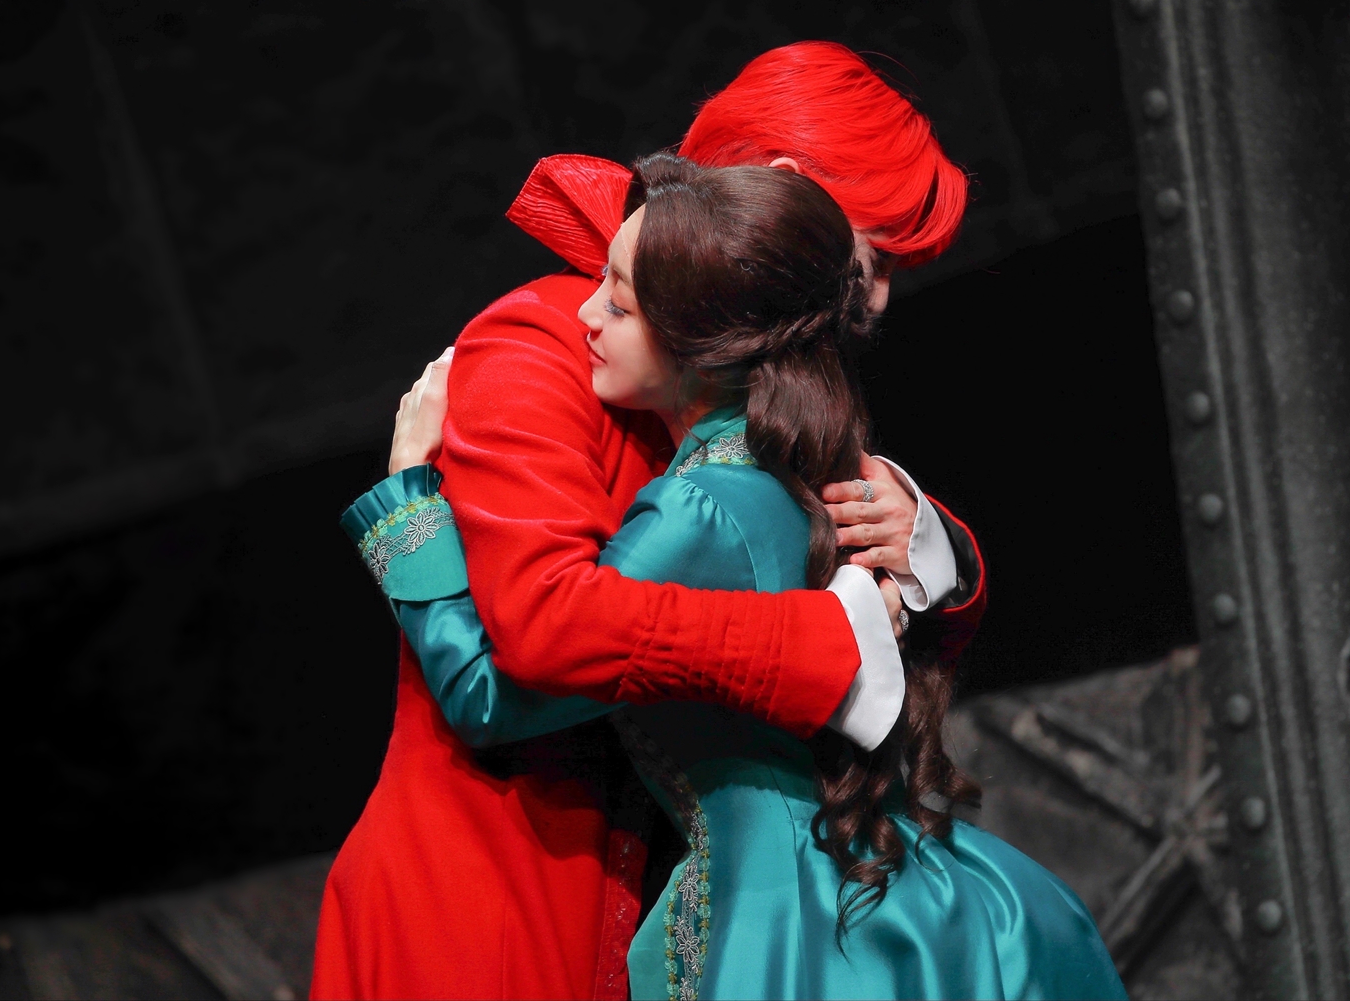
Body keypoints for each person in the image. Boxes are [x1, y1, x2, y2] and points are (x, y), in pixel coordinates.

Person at [343, 154, 1124, 999]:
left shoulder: (697, 509)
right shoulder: (791, 466)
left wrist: (407, 504)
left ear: (706, 341)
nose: (587, 314)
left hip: (781, 911)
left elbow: (490, 694)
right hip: (868, 875)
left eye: (619, 303)